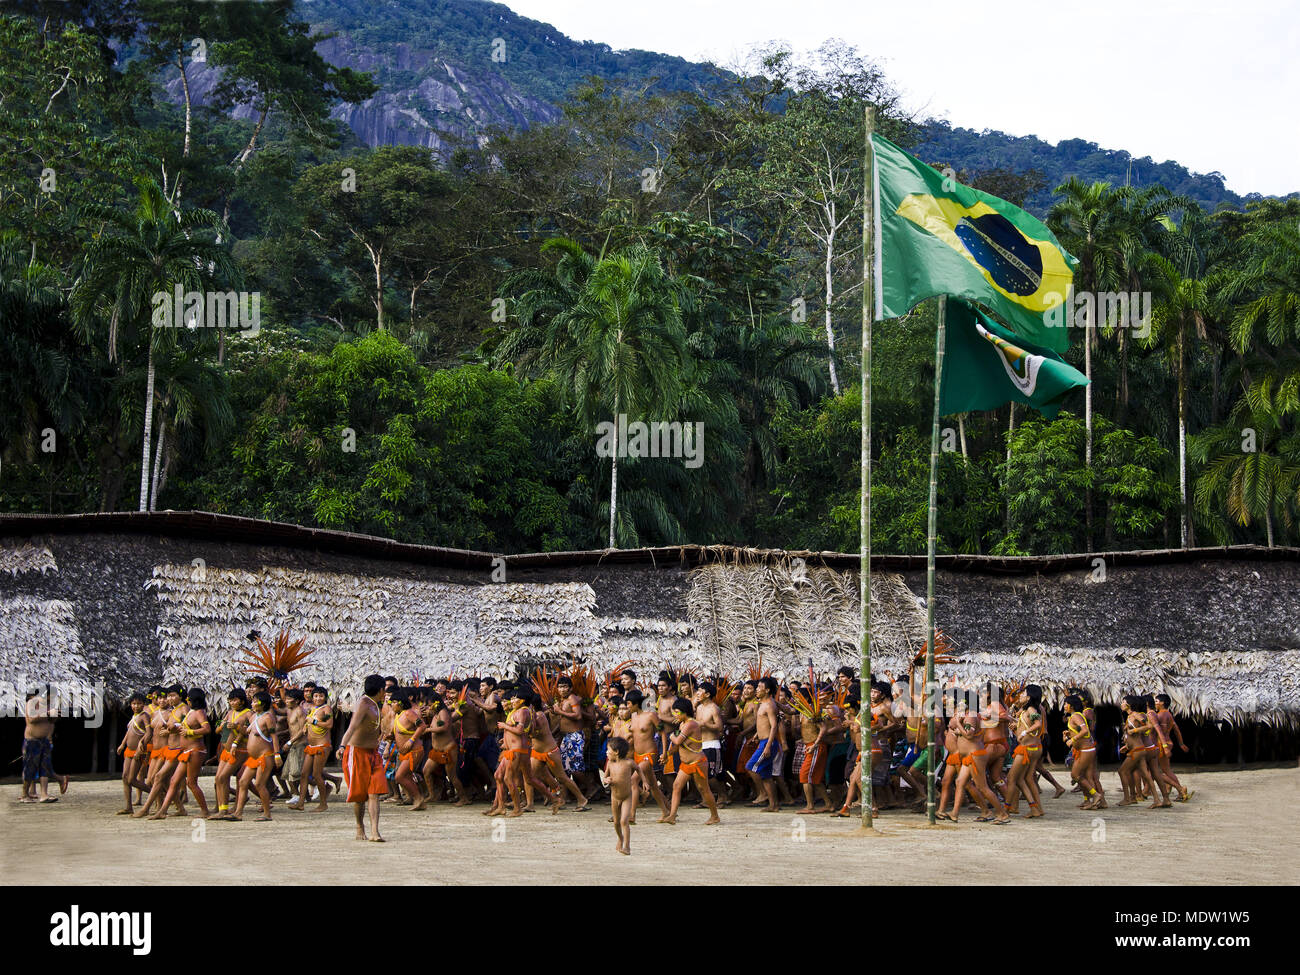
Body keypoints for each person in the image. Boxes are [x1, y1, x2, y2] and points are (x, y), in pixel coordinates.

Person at [337, 674, 388, 840]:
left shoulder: (376, 705)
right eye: (384, 689)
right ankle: (360, 826)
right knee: (360, 796)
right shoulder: (364, 703)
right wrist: (343, 746)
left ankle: (375, 831)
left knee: (375, 793)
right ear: (381, 689)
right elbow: (352, 727)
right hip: (357, 752)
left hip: (373, 754)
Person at [154, 687, 212, 820]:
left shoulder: (199, 713)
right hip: (186, 751)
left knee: (191, 783)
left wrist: (191, 732)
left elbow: (207, 729)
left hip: (196, 751)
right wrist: (175, 729)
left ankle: (205, 811)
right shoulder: (191, 712)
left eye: (188, 698)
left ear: (193, 700)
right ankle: (162, 811)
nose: (187, 700)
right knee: (174, 780)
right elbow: (184, 727)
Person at [662, 698, 721, 825]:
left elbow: (677, 741)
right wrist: (667, 754)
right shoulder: (682, 724)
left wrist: (671, 735)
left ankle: (715, 816)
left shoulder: (691, 724)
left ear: (685, 712)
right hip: (686, 764)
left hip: (697, 763)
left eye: (677, 712)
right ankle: (672, 815)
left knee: (704, 789)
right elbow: (677, 746)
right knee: (677, 786)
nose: (675, 715)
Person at [232, 691, 281, 822]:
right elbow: (245, 732)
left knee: (259, 784)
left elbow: (274, 736)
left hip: (265, 756)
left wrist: (277, 754)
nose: (252, 704)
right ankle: (238, 813)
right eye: (252, 701)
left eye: (255, 701)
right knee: (243, 782)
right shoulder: (253, 717)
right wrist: (235, 743)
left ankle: (267, 814)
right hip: (253, 758)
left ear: (262, 704)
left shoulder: (268, 718)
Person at [625, 689, 669, 817]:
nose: (627, 707)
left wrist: (665, 752)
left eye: (628, 704)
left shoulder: (651, 715)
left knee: (633, 780)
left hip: (650, 754)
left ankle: (632, 814)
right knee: (653, 785)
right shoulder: (633, 717)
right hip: (637, 755)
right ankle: (667, 811)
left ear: (636, 703)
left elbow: (662, 733)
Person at [295, 686, 337, 811]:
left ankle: (323, 803)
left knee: (317, 774)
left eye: (321, 696)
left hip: (322, 745)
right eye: (316, 696)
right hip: (311, 746)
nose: (318, 698)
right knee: (304, 774)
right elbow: (309, 721)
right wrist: (306, 726)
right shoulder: (313, 709)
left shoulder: (327, 709)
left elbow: (329, 725)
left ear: (325, 697)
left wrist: (313, 722)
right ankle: (301, 803)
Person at [213, 689, 252, 820]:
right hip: (227, 750)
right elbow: (218, 729)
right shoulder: (229, 713)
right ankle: (222, 808)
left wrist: (236, 727)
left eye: (235, 700)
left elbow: (250, 730)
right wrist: (221, 726)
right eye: (231, 700)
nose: (232, 702)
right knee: (218, 778)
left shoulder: (248, 714)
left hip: (240, 750)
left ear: (242, 701)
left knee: (224, 777)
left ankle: (223, 811)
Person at [1062, 694, 1105, 809]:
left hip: (1086, 750)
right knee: (1086, 776)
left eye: (1066, 703)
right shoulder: (1075, 716)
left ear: (1071, 705)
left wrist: (1072, 739)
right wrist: (1069, 734)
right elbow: (1080, 730)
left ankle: (1096, 795)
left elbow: (1085, 731)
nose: (1064, 706)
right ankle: (1088, 801)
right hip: (1085, 749)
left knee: (1075, 775)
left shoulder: (1076, 716)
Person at [745, 676, 781, 812]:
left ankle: (763, 793)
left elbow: (774, 726)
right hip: (763, 740)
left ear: (767, 690)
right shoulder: (763, 704)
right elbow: (762, 724)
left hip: (768, 742)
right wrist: (755, 736)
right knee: (766, 776)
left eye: (759, 688)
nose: (757, 690)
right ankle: (774, 805)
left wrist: (767, 745)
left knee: (750, 766)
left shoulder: (769, 705)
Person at [116, 692, 151, 814]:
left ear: (143, 704)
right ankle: (128, 807)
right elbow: (129, 732)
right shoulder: (134, 716)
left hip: (138, 751)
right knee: (124, 778)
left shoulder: (144, 716)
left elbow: (149, 733)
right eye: (134, 704)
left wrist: (141, 747)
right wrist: (122, 744)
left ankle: (155, 792)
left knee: (132, 780)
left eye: (139, 703)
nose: (136, 706)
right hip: (128, 751)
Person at [605, 736, 642, 855]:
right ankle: (620, 838)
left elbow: (639, 769)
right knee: (616, 822)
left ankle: (627, 846)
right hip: (614, 797)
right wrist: (607, 780)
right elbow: (605, 778)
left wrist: (645, 781)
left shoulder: (629, 763)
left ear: (616, 752)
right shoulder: (610, 764)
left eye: (608, 750)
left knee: (623, 821)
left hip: (627, 796)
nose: (606, 752)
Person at [1153, 694, 1193, 802]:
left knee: (1154, 770)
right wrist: (1180, 743)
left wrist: (1165, 746)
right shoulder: (1168, 714)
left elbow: (1160, 732)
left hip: (1162, 744)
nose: (1155, 703)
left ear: (1162, 703)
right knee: (1166, 769)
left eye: (1156, 701)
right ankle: (1175, 788)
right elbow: (1176, 729)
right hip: (1167, 742)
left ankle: (1180, 789)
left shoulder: (1161, 715)